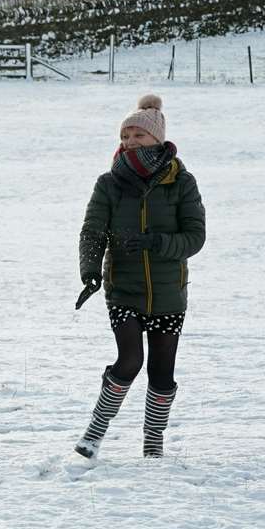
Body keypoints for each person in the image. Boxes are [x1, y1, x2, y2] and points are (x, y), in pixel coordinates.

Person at [73, 94, 207, 459]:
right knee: (129, 360)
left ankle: (153, 444)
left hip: (169, 293)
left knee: (162, 374)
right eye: (125, 136)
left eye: (138, 136)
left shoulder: (182, 182)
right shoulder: (109, 183)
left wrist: (157, 242)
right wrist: (89, 271)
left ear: (158, 140)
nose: (130, 142)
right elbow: (93, 232)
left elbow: (195, 237)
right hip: (124, 290)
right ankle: (92, 436)